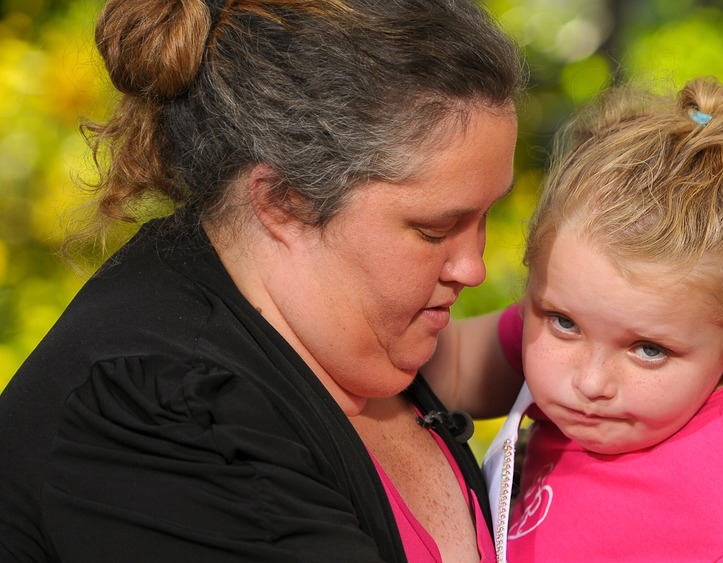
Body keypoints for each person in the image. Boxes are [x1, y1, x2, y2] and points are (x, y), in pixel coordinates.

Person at [0, 0, 525, 561]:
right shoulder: (161, 417)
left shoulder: (343, 332)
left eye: (485, 215)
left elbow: (523, 352)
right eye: (434, 228)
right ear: (284, 203)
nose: (474, 267)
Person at [434, 77, 723, 561]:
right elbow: (451, 369)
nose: (589, 382)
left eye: (649, 350)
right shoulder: (586, 319)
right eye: (563, 323)